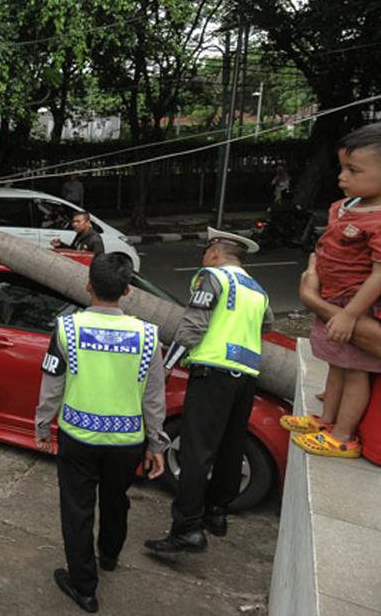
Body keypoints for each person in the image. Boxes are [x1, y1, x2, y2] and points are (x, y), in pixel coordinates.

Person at [34, 253, 167, 613]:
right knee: (116, 499)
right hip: (127, 442)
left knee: (76, 511)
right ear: (127, 290)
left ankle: (85, 588)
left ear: (88, 285)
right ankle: (108, 555)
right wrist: (157, 442)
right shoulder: (147, 335)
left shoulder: (67, 328)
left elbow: (52, 384)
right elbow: (154, 395)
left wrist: (42, 424)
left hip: (78, 438)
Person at [145, 228, 273, 554]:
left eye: (205, 250)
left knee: (196, 452)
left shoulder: (212, 277)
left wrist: (167, 364)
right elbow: (267, 325)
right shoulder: (257, 290)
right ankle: (216, 513)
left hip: (212, 374)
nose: (203, 256)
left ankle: (186, 528)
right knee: (230, 448)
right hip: (245, 378)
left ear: (216, 252)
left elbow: (193, 327)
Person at [279, 124, 381, 459]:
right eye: (342, 168)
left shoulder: (379, 220)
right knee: (338, 365)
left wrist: (351, 315)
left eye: (353, 170)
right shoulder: (348, 205)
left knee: (355, 371)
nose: (342, 177)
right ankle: (326, 421)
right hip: (333, 297)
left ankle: (343, 436)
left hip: (353, 304)